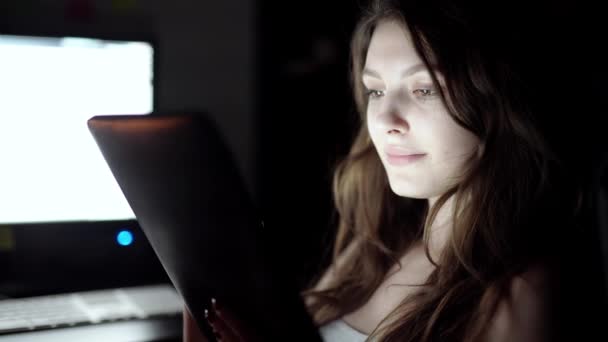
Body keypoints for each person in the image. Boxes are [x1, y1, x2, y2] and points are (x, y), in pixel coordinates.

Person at [185, 0, 591, 340]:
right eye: (376, 90)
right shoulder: (376, 246)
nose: (385, 120)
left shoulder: (520, 292)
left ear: (499, 103)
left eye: (424, 89)